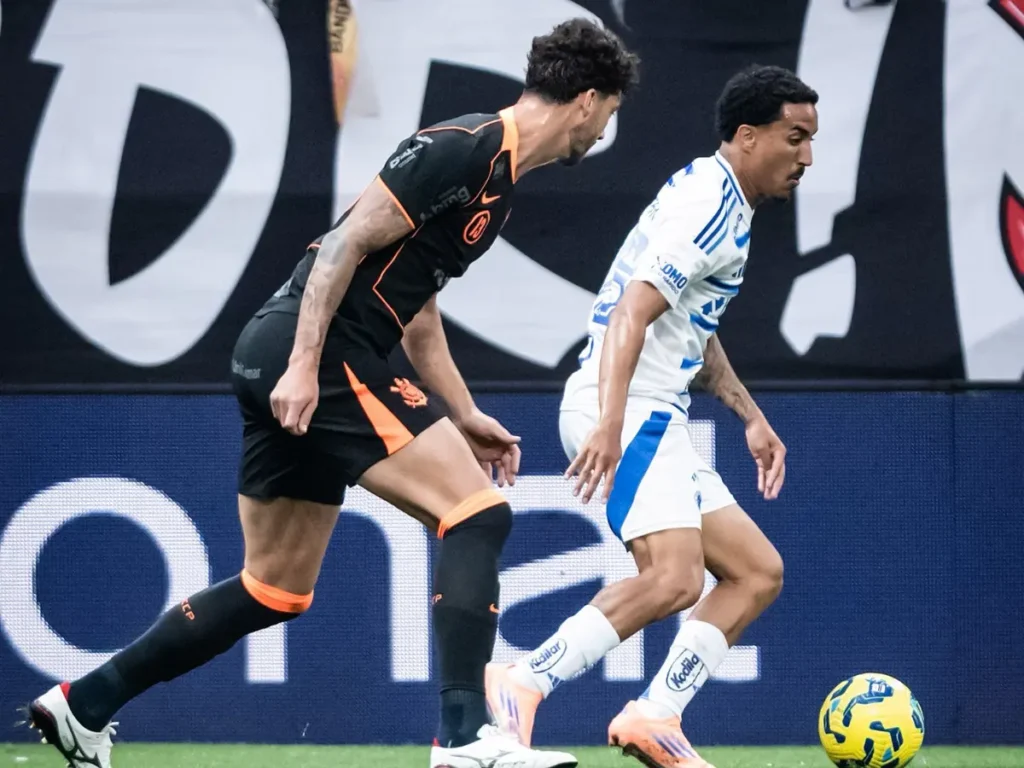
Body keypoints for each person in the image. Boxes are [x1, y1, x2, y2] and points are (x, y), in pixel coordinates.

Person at [27, 18, 640, 768]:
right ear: (586, 100)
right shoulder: (463, 147)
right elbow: (345, 244)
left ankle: (84, 703)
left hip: (300, 352)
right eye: (609, 114)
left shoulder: (499, 183)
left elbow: (416, 308)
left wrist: (465, 410)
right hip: (313, 351)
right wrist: (304, 363)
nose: (605, 131)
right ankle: (465, 735)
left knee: (274, 587)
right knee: (477, 514)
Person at [484, 64, 818, 768]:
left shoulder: (719, 197)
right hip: (630, 405)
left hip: (647, 405)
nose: (807, 157)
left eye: (812, 140)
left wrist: (747, 414)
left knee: (757, 571)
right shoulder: (711, 205)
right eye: (796, 138)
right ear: (749, 136)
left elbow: (691, 326)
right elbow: (636, 308)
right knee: (674, 578)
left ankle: (654, 714)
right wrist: (609, 420)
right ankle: (522, 678)